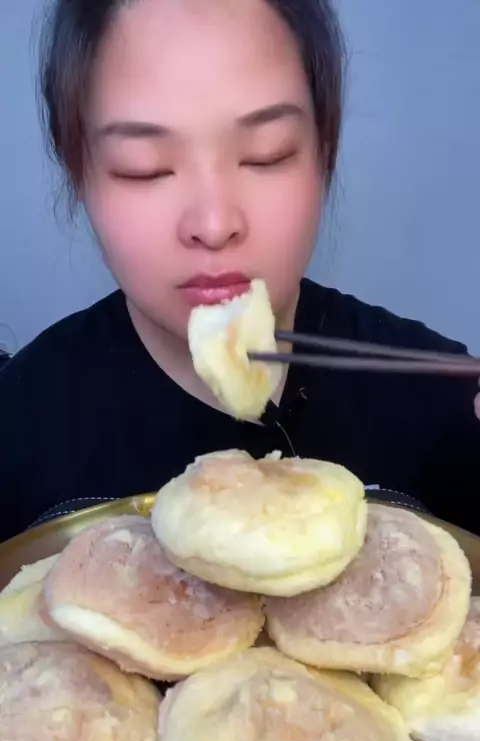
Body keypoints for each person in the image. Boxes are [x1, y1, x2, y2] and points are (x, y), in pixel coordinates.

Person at [0, 0, 479, 544]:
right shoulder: (18, 426)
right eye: (143, 167)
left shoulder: (445, 403)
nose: (213, 224)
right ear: (78, 173)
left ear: (324, 153)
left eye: (265, 154)